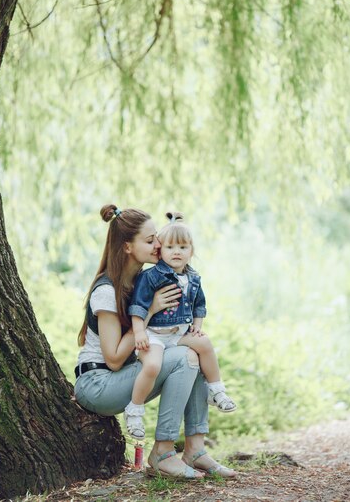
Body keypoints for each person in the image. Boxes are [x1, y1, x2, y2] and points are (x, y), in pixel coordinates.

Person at [74, 204, 237, 479]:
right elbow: (113, 360)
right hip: (98, 384)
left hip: (124, 376)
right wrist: (148, 312)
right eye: (150, 240)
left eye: (157, 238)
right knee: (184, 357)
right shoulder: (106, 291)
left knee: (194, 348)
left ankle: (196, 449)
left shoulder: (143, 281)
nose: (159, 245)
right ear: (127, 247)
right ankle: (162, 453)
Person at [124, 212, 236, 440]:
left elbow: (199, 305)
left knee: (204, 343)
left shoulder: (193, 278)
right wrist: (138, 332)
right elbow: (138, 306)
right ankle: (134, 410)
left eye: (183, 247)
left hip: (179, 333)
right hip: (154, 334)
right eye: (170, 247)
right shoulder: (152, 276)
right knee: (152, 365)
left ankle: (216, 391)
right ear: (160, 251)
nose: (177, 252)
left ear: (191, 252)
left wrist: (197, 325)